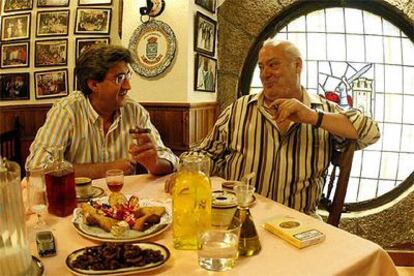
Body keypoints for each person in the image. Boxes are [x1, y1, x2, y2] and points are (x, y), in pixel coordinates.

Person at [167, 39, 380, 217]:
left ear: (298, 66)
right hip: (240, 219)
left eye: (273, 64)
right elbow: (205, 151)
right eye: (261, 67)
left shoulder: (322, 110)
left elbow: (371, 132)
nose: (264, 74)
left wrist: (311, 116)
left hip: (297, 224)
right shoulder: (240, 109)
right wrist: (188, 169)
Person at [26, 44, 178, 179]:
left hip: (122, 205)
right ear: (93, 84)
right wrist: (108, 169)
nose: (128, 86)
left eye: (127, 76)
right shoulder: (67, 110)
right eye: (119, 78)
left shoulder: (135, 111)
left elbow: (170, 159)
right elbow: (37, 166)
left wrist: (155, 163)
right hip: (77, 205)